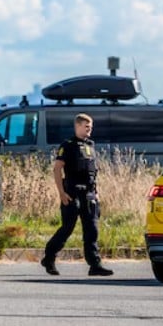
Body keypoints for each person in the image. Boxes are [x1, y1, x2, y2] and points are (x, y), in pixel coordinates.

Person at [40, 113, 113, 276]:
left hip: (89, 194)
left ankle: (95, 265)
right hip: (72, 192)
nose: (89, 130)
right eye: (86, 127)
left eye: (91, 127)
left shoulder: (91, 145)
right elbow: (57, 169)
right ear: (77, 126)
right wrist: (61, 193)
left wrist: (96, 192)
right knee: (67, 228)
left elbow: (92, 172)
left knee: (92, 229)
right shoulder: (68, 145)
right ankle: (49, 257)